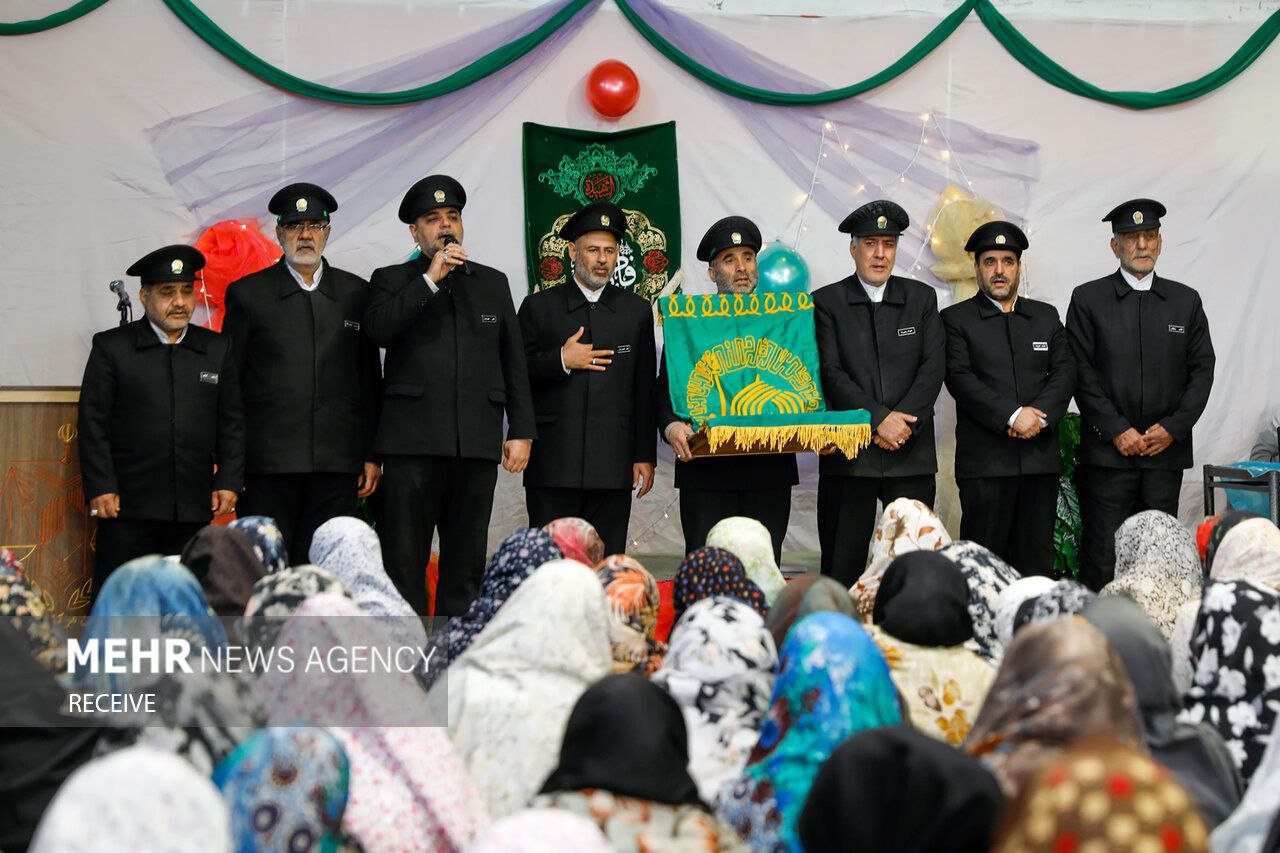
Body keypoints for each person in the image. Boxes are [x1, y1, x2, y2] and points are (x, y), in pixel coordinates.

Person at [363, 175, 535, 617]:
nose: (445, 227)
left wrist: (522, 429)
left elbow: (513, 360)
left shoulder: (491, 283)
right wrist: (429, 279)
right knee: (404, 562)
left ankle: (455, 658)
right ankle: (405, 658)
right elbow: (379, 332)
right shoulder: (391, 280)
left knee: (465, 564)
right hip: (411, 447)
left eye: (452, 217)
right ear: (414, 232)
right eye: (433, 219)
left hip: (474, 446)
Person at [222, 183, 383, 565]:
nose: (305, 234)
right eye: (294, 226)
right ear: (279, 234)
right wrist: (232, 465)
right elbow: (229, 388)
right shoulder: (248, 294)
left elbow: (369, 381)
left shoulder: (355, 293)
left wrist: (371, 455)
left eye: (314, 225)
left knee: (325, 571)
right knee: (265, 570)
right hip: (267, 468)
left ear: (328, 231)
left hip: (335, 466)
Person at [77, 245, 244, 599]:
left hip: (192, 507)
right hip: (126, 508)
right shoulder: (112, 348)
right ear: (144, 295)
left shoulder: (216, 349)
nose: (180, 302)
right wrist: (101, 486)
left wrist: (228, 478)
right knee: (122, 602)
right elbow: (93, 423)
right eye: (168, 292)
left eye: (187, 290)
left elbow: (231, 422)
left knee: (185, 603)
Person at [1066, 199, 1215, 589]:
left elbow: (1202, 372)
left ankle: (1155, 642)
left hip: (1164, 456)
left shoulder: (1185, 301)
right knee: (1103, 556)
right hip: (1107, 459)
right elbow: (1080, 373)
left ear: (1161, 242)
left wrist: (1172, 428)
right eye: (1132, 238)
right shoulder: (1088, 299)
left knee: (1159, 557)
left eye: (1150, 236)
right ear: (1115, 246)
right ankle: (1099, 645)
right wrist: (1117, 430)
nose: (1142, 245)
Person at [813, 200, 945, 585]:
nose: (880, 253)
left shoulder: (921, 299)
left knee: (912, 566)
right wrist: (878, 419)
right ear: (853, 248)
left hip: (911, 451)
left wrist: (901, 424)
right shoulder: (827, 302)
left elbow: (932, 368)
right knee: (842, 564)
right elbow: (830, 372)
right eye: (870, 243)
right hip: (850, 452)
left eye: (888, 244)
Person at [517, 202, 656, 555]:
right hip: (553, 463)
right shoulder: (538, 307)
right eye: (593, 250)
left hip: (613, 464)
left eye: (610, 251)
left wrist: (644, 454)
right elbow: (516, 376)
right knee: (551, 565)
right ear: (571, 251)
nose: (602, 259)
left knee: (605, 564)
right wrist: (561, 359)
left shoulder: (636, 310)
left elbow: (643, 389)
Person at [656, 216, 797, 563]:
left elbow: (802, 381)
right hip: (705, 473)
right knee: (706, 572)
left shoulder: (784, 322)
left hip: (768, 471)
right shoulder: (690, 323)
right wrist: (672, 425)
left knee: (763, 573)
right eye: (729, 259)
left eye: (748, 256)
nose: (741, 268)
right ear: (712, 272)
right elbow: (664, 390)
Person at [941, 221, 1074, 575]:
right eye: (990, 261)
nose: (999, 271)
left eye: (1008, 261)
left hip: (1038, 464)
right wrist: (1014, 415)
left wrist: (1040, 416)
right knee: (984, 570)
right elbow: (959, 377)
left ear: (1018, 266)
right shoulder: (955, 319)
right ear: (977, 268)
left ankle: (1034, 631)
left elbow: (1065, 373)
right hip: (985, 468)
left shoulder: (1044, 316)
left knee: (1036, 566)